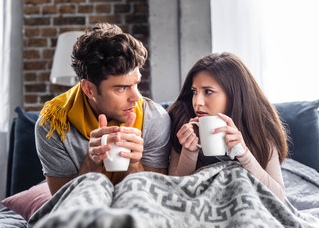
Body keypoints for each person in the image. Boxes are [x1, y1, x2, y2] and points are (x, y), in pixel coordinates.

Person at [35, 23, 171, 195]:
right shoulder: (53, 125)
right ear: (89, 89)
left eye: (136, 84)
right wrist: (92, 163)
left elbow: (157, 199)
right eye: (121, 88)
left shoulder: (155, 119)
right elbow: (63, 204)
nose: (136, 98)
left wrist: (134, 163)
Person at [168, 52, 288, 202]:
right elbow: (174, 193)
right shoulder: (182, 120)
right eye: (194, 92)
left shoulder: (261, 127)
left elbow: (280, 198)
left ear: (234, 95)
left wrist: (244, 154)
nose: (197, 102)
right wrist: (189, 152)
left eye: (208, 92)